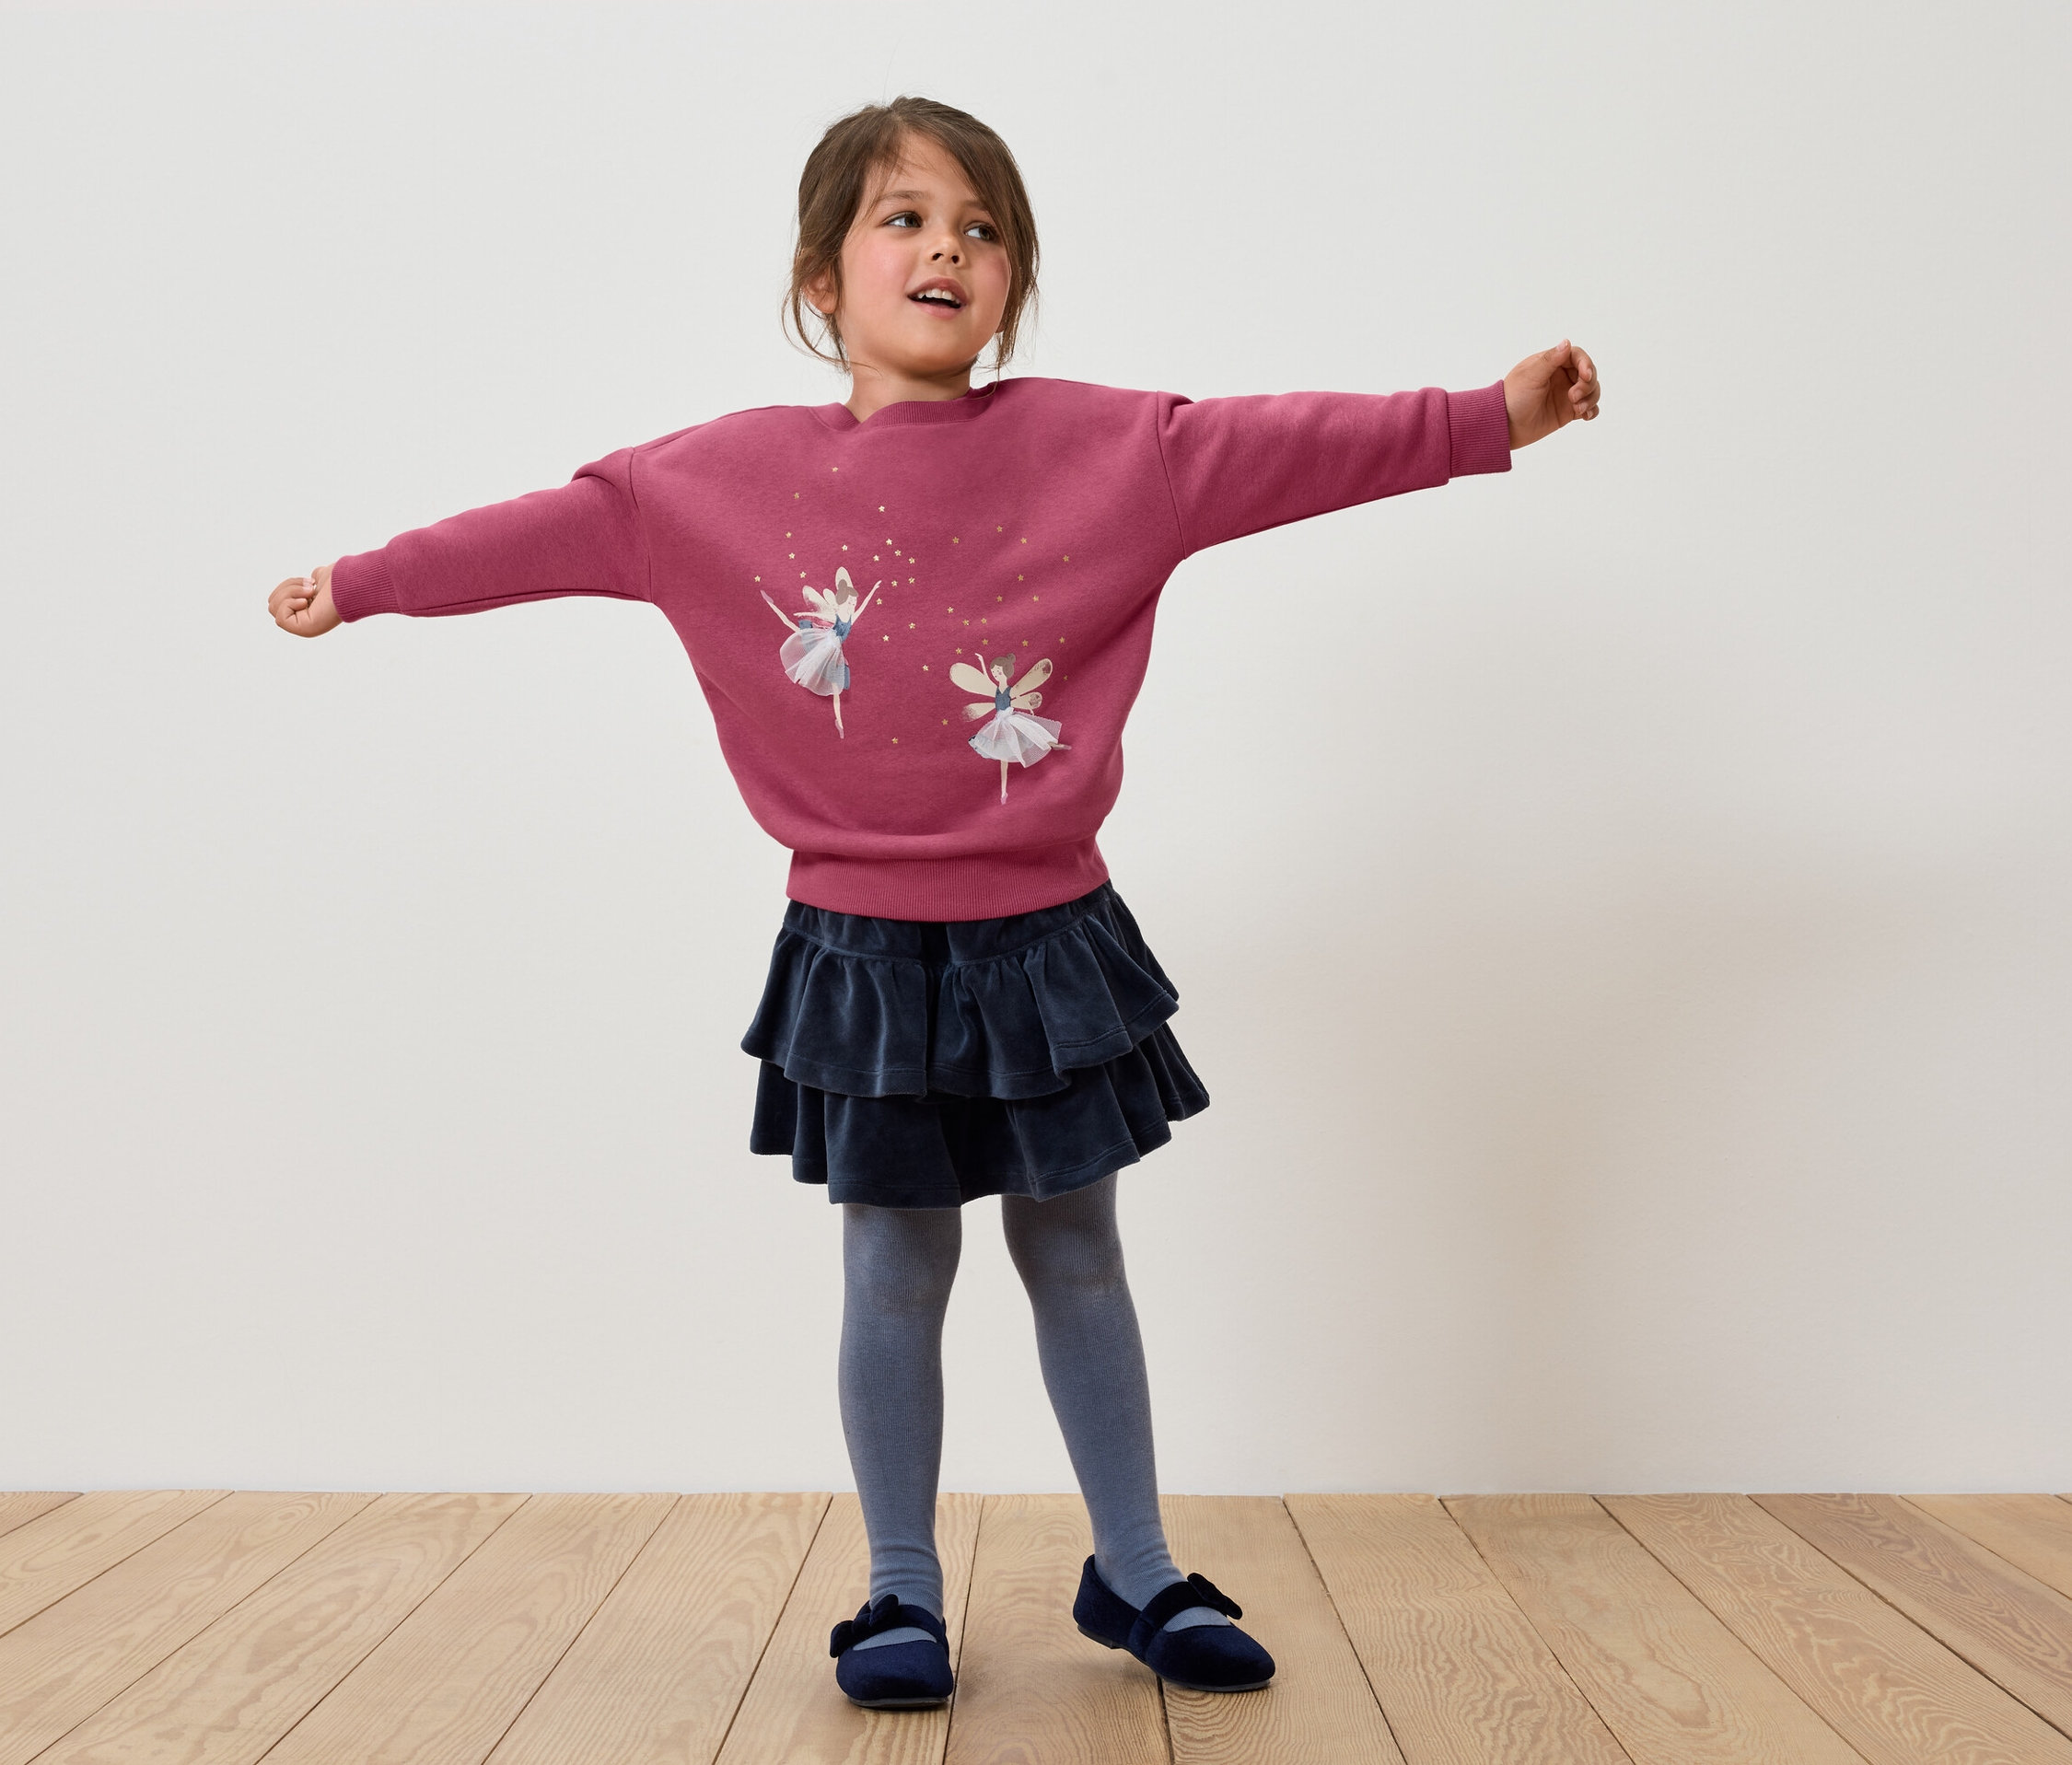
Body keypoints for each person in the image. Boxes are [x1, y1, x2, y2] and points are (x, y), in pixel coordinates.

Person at [268, 94, 1601, 1711]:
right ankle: (900, 1588)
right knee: (894, 1262)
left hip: (1049, 931)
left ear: (1013, 279)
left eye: (980, 229)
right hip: (861, 944)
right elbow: (553, 530)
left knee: (1079, 1247)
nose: (945, 250)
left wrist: (1483, 418)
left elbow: (1293, 448)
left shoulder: (1119, 447)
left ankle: (1134, 1565)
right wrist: (366, 579)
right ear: (821, 281)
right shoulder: (712, 479)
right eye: (903, 220)